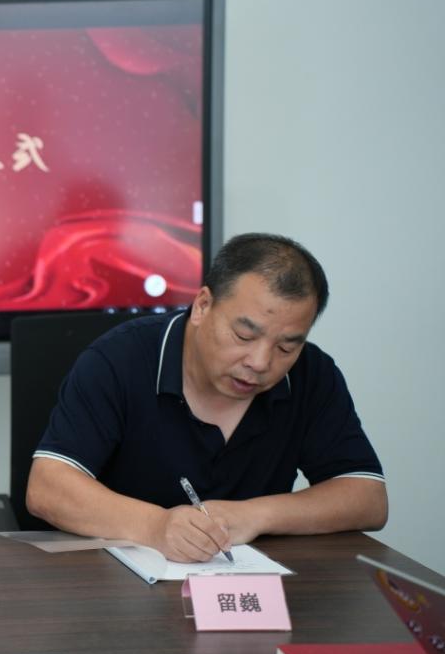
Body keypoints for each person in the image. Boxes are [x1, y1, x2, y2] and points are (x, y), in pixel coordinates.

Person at [26, 233, 387, 562]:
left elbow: (367, 498)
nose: (261, 362)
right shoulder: (120, 359)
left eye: (285, 347)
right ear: (202, 306)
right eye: (244, 336)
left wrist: (254, 515)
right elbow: (47, 488)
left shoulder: (312, 374)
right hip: (114, 586)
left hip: (251, 591)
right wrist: (156, 526)